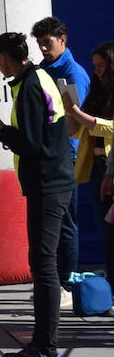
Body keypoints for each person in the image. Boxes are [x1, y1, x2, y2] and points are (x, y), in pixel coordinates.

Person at [0, 31, 75, 357]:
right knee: (40, 263)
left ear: (3, 57)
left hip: (49, 184)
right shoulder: (35, 78)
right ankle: (39, 345)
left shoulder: (30, 86)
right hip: (48, 183)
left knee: (44, 266)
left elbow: (31, 144)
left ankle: (49, 352)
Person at [33, 16, 89, 299]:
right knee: (50, 224)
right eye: (40, 43)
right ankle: (53, 284)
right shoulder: (43, 70)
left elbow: (76, 124)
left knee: (66, 223)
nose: (43, 48)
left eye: (48, 43)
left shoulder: (72, 74)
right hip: (47, 155)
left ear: (62, 40)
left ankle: (67, 286)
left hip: (65, 156)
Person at [65, 41, 114, 285]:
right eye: (95, 65)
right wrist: (69, 114)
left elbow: (109, 128)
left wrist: (79, 115)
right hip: (97, 167)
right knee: (106, 228)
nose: (97, 71)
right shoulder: (97, 90)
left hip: (111, 167)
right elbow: (79, 131)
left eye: (102, 66)